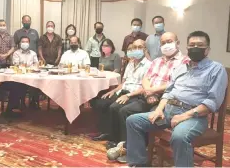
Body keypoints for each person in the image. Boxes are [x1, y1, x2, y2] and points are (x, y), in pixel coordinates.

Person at [125, 31, 228, 167]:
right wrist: (159, 110)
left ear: (207, 49)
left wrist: (184, 116)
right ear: (187, 48)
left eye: (200, 45)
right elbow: (169, 92)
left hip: (194, 116)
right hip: (169, 111)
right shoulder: (181, 68)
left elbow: (212, 102)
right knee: (133, 121)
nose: (195, 47)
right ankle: (139, 164)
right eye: (192, 45)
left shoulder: (216, 69)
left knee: (179, 136)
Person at [106, 32, 190, 163]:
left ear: (177, 43)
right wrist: (149, 92)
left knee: (151, 119)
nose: (166, 45)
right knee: (125, 111)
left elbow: (175, 84)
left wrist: (152, 91)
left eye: (169, 41)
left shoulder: (185, 62)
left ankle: (131, 148)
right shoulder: (157, 61)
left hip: (167, 99)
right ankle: (130, 149)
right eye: (163, 43)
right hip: (148, 95)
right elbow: (146, 78)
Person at [92, 39, 151, 142]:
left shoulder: (149, 65)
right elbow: (123, 82)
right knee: (101, 102)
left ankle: (119, 140)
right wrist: (113, 91)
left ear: (145, 49)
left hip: (135, 94)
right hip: (123, 90)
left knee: (115, 107)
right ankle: (106, 132)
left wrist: (128, 96)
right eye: (134, 47)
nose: (136, 50)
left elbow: (145, 87)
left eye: (140, 47)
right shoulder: (130, 63)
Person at [13, 36, 40, 110]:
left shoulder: (33, 53)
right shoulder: (16, 53)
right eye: (23, 42)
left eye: (26, 42)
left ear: (29, 43)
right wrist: (27, 67)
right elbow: (16, 65)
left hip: (32, 76)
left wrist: (29, 67)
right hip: (20, 76)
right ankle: (21, 103)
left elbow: (36, 64)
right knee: (20, 85)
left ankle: (33, 102)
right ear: (20, 43)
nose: (25, 43)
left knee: (36, 84)